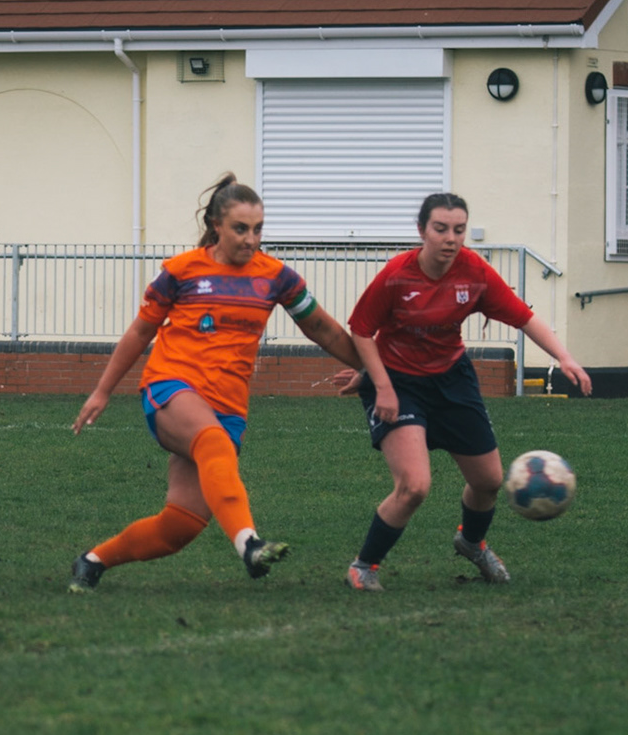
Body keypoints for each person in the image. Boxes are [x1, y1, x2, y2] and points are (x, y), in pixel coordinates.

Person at [68, 173, 362, 592]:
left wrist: (375, 372)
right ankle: (249, 544)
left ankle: (92, 560)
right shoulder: (181, 271)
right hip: (171, 385)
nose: (251, 238)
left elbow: (325, 330)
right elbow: (139, 332)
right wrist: (102, 391)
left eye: (258, 229)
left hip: (228, 404)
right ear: (216, 226)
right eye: (241, 228)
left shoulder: (276, 277)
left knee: (180, 526)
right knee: (212, 441)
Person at [342, 193, 591, 592]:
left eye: (459, 230)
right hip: (400, 383)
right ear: (421, 231)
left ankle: (471, 542)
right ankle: (364, 565)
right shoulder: (396, 275)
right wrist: (382, 386)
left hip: (452, 380)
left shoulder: (474, 272)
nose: (451, 238)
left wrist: (565, 357)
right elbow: (360, 329)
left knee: (490, 480)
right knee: (415, 486)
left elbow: (524, 317)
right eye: (441, 229)